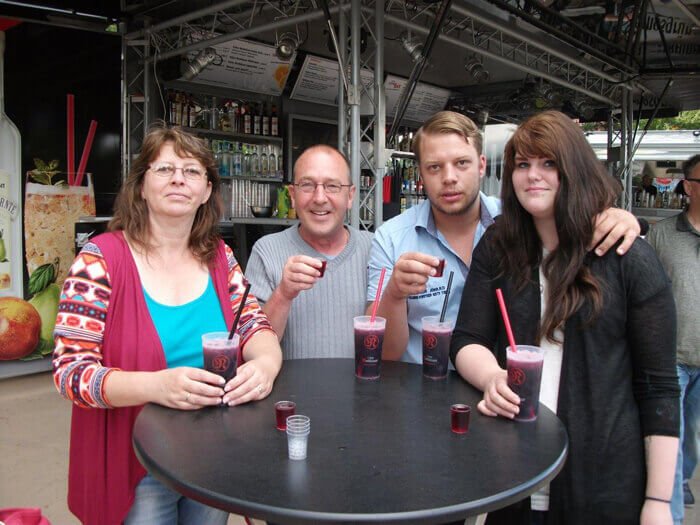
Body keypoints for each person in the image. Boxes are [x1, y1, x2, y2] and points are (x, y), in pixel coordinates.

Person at [450, 110, 679, 525]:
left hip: (601, 486)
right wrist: (491, 377)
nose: (533, 175)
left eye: (549, 163)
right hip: (512, 481)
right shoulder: (499, 246)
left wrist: (658, 500)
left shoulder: (627, 258)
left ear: (574, 170)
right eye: (523, 164)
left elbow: (659, 387)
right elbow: (467, 339)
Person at [52, 125, 282, 525]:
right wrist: (157, 386)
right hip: (137, 458)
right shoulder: (100, 260)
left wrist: (265, 365)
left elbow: (253, 325)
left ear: (206, 191)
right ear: (141, 186)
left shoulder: (219, 257)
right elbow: (70, 373)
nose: (179, 179)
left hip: (213, 447)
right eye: (164, 169)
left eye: (192, 171)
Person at [366, 110, 641, 364]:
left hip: (508, 389)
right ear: (421, 174)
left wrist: (616, 217)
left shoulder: (521, 224)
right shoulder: (391, 239)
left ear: (481, 165)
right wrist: (394, 294)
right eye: (434, 167)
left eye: (461, 163)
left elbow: (571, 219)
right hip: (424, 389)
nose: (449, 177)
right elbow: (379, 352)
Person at [246, 145, 373, 359]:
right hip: (290, 382)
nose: (320, 198)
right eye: (307, 185)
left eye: (332, 186)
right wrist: (283, 294)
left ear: (350, 196)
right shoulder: (266, 251)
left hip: (363, 382)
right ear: (293, 195)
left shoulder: (374, 249)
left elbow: (393, 347)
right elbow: (251, 346)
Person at [647, 153, 700, 522]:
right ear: (688, 187)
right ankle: (673, 509)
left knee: (692, 434)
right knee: (673, 435)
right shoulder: (662, 236)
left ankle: (681, 478)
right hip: (671, 358)